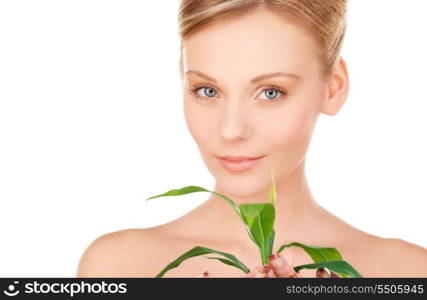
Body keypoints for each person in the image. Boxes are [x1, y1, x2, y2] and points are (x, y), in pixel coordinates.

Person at [76, 0, 427, 278]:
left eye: (270, 92)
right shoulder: (118, 266)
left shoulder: (408, 272)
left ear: (333, 88)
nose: (230, 130)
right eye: (207, 90)